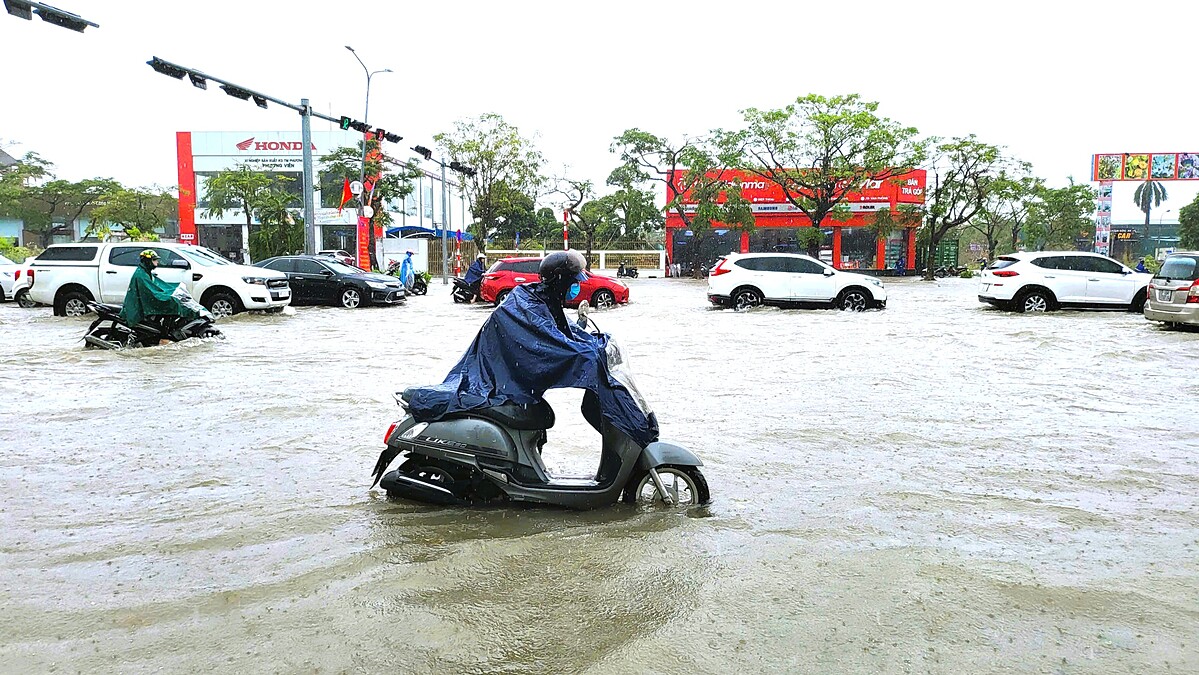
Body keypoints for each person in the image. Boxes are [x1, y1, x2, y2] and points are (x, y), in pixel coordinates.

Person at [119, 250, 199, 343]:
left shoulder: (145, 272)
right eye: (154, 260)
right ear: (148, 261)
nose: (157, 262)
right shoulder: (141, 275)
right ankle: (164, 337)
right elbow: (150, 292)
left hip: (144, 301)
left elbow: (157, 285)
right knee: (172, 306)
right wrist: (169, 298)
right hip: (139, 305)